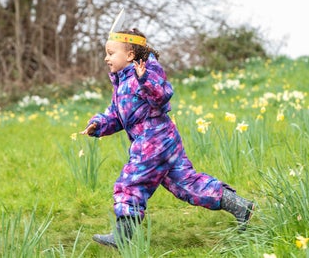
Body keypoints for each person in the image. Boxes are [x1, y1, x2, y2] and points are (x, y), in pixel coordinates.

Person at [80, 28, 254, 248]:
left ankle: (123, 237)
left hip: (152, 141)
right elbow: (117, 113)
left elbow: (161, 96)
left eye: (111, 52)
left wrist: (144, 80)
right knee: (186, 184)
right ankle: (240, 206)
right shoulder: (122, 82)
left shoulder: (145, 74)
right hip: (163, 140)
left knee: (132, 181)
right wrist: (98, 124)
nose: (106, 58)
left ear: (130, 55)